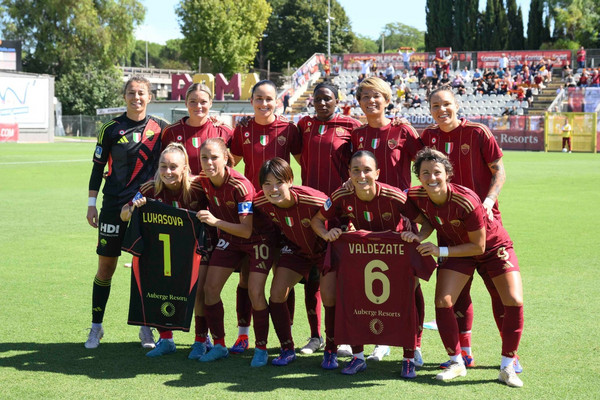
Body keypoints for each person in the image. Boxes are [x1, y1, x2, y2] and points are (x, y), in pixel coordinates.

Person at [421, 86, 523, 374]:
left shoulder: (478, 132)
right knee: (457, 296)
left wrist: (488, 201)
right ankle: (463, 353)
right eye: (435, 106)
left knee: (499, 292)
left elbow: (499, 171)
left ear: (457, 105)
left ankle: (510, 355)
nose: (442, 110)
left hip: (486, 228)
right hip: (450, 231)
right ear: (429, 110)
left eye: (447, 104)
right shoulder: (428, 138)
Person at [404, 147, 524, 388]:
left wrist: (439, 251)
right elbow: (425, 219)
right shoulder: (415, 196)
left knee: (513, 299)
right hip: (456, 249)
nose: (431, 177)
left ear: (447, 174)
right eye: (425, 173)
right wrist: (419, 235)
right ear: (419, 176)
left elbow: (478, 247)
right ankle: (456, 362)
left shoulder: (466, 199)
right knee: (443, 301)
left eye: (436, 172)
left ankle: (507, 366)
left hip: (491, 247)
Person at [311, 151, 434, 378]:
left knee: (404, 301)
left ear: (377, 173)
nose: (361, 175)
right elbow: (316, 220)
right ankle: (358, 357)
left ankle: (409, 355)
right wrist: (327, 234)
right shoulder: (341, 195)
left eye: (367, 170)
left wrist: (417, 237)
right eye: (355, 170)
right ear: (348, 173)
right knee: (355, 299)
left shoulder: (394, 195)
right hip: (360, 255)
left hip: (395, 255)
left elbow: (425, 223)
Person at [85, 76, 168, 349]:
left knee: (144, 269)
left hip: (145, 207)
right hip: (111, 207)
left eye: (141, 93)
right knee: (106, 267)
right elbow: (98, 168)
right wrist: (91, 204)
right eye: (131, 93)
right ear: (124, 96)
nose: (137, 98)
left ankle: (146, 328)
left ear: (150, 97)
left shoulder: (161, 129)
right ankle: (96, 327)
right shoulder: (110, 129)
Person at [351, 76, 425, 364]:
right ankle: (381, 340)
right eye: (366, 96)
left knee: (410, 285)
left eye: (377, 96)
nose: (371, 101)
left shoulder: (402, 129)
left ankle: (414, 343)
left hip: (402, 220)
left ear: (387, 99)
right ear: (359, 102)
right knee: (376, 285)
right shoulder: (357, 135)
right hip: (368, 221)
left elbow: (426, 166)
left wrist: (414, 199)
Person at [161, 83, 232, 359]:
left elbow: (229, 168)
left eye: (203, 101)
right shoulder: (171, 131)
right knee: (169, 278)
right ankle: (164, 336)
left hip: (210, 218)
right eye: (193, 101)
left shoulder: (223, 131)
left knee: (203, 286)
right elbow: (165, 167)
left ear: (211, 103)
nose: (198, 106)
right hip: (178, 215)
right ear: (185, 101)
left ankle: (201, 339)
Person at [230, 80, 302, 354]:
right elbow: (230, 163)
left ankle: (287, 334)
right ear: (251, 101)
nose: (264, 103)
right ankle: (243, 334)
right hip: (253, 212)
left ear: (278, 102)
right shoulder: (243, 128)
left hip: (283, 212)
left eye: (269, 99)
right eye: (259, 98)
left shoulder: (289, 129)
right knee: (247, 278)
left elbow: (302, 163)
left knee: (283, 274)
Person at [196, 138, 277, 367]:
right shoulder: (203, 179)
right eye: (204, 158)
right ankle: (219, 345)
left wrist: (215, 221)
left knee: (255, 291)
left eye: (214, 157)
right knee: (209, 289)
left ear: (225, 158)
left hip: (258, 238)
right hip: (230, 239)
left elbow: (246, 229)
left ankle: (261, 348)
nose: (209, 162)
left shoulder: (240, 186)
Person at [119, 143, 206, 357]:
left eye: (173, 167)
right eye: (163, 166)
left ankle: (201, 339)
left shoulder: (198, 188)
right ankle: (166, 340)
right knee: (160, 289)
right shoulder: (149, 189)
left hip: (192, 253)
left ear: (185, 168)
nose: (168, 171)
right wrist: (131, 209)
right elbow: (124, 214)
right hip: (161, 254)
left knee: (199, 293)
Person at [295, 82, 361, 354]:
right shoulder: (304, 124)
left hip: (341, 210)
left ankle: (342, 336)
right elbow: (301, 157)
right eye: (318, 99)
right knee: (312, 276)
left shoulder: (351, 126)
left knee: (340, 276)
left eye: (328, 99)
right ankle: (314, 336)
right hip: (310, 209)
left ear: (337, 100)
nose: (322, 103)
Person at [254, 158, 332, 367]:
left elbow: (339, 215)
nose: (273, 189)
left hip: (323, 252)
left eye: (278, 182)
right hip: (296, 251)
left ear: (290, 180)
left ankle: (330, 348)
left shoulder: (315, 200)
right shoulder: (261, 202)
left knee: (328, 296)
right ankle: (287, 348)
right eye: (267, 184)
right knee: (277, 293)